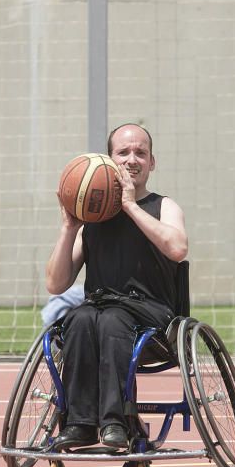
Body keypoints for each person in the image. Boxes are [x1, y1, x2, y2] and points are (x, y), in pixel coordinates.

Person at [45, 123, 188, 450]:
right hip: (98, 311)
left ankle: (117, 421)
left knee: (110, 319)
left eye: (141, 152)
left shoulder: (164, 207)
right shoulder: (93, 218)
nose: (132, 159)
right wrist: (69, 228)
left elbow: (178, 248)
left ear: (152, 162)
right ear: (110, 160)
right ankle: (80, 423)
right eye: (123, 153)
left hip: (150, 316)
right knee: (79, 319)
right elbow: (55, 283)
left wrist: (130, 207)